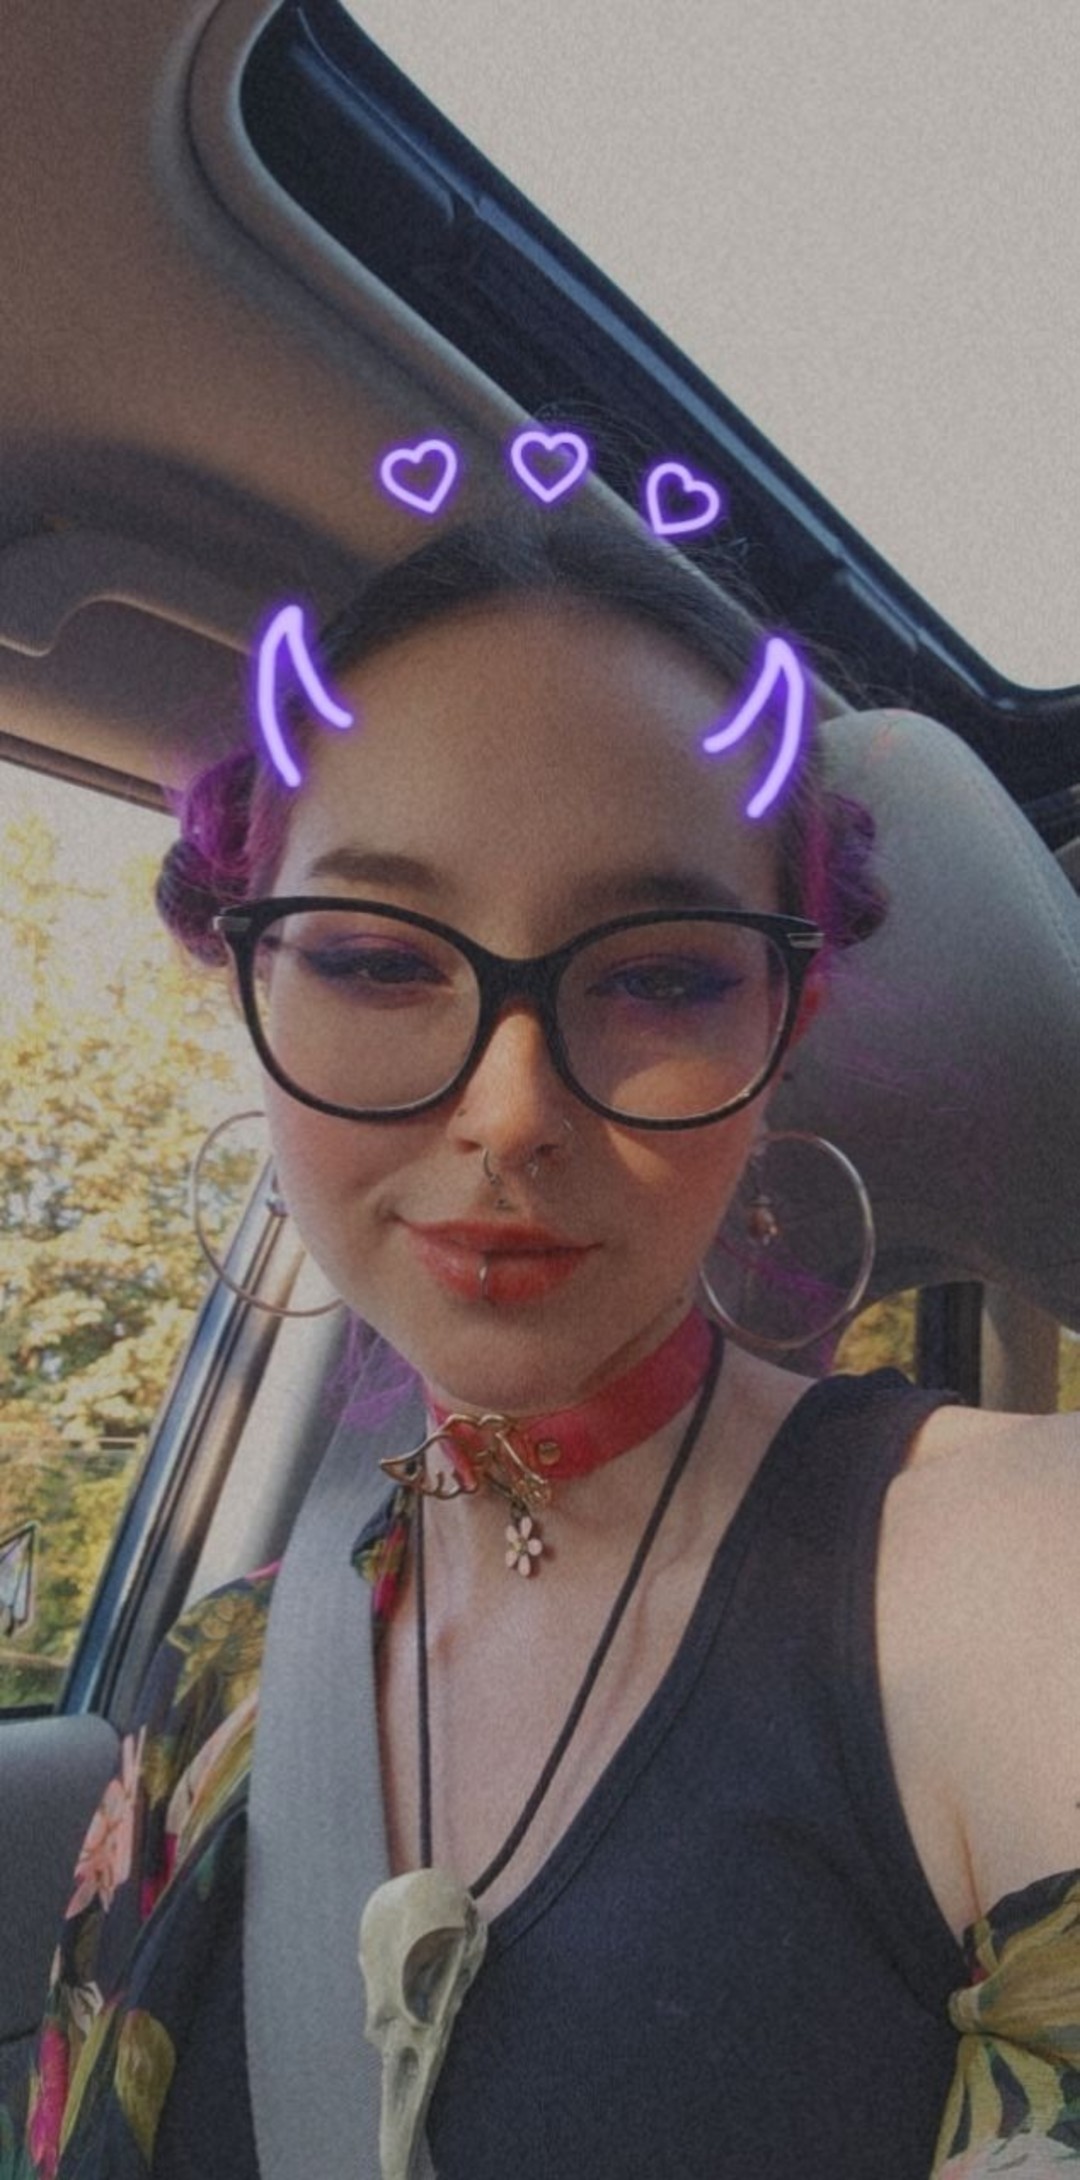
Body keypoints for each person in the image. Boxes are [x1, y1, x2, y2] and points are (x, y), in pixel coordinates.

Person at [16, 514, 1080, 2177]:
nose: (509, 1113)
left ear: (782, 1028)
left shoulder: (1017, 1567)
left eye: (659, 980)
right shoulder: (218, 1679)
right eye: (377, 959)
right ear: (254, 986)